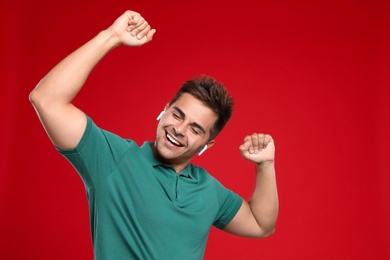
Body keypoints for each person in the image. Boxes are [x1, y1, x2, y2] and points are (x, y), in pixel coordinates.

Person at [30, 10, 279, 260]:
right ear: (164, 110)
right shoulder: (114, 160)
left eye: (195, 129)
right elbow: (47, 100)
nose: (179, 130)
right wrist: (111, 36)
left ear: (208, 143)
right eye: (177, 115)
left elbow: (261, 224)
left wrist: (266, 165)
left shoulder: (209, 189)